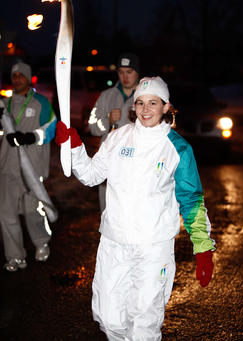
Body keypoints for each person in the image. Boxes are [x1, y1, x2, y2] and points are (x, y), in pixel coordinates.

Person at [55, 76, 215, 341]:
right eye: (140, 102)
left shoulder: (178, 148)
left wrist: (203, 247)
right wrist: (74, 147)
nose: (145, 109)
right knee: (109, 318)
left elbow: (192, 201)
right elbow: (92, 175)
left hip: (153, 246)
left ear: (166, 106)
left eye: (153, 102)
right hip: (114, 241)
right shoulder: (119, 137)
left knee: (144, 323)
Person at [0, 62, 57, 272]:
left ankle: (42, 243)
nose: (17, 79)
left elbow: (50, 129)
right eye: (14, 75)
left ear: (28, 77)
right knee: (6, 214)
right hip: (7, 166)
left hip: (31, 167)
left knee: (33, 210)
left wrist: (30, 136)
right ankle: (15, 256)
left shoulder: (41, 102)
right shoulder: (4, 104)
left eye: (21, 75)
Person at [88, 52, 140, 212]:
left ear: (137, 72)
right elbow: (92, 126)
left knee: (131, 212)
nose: (125, 77)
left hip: (135, 164)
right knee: (108, 211)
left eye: (129, 72)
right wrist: (107, 121)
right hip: (109, 163)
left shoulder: (146, 96)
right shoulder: (106, 96)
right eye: (121, 72)